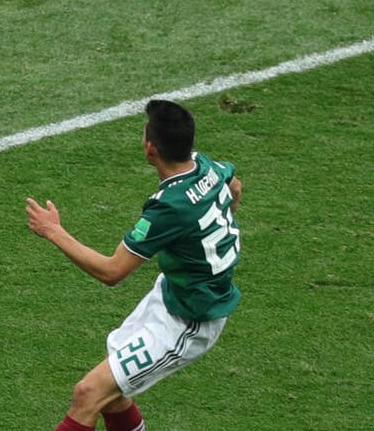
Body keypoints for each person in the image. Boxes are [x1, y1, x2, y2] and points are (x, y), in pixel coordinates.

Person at [24, 99, 243, 431]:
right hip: (173, 294)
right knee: (112, 396)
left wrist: (54, 231)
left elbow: (112, 272)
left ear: (150, 148)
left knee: (88, 393)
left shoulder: (170, 208)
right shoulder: (205, 166)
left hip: (190, 321)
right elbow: (235, 187)